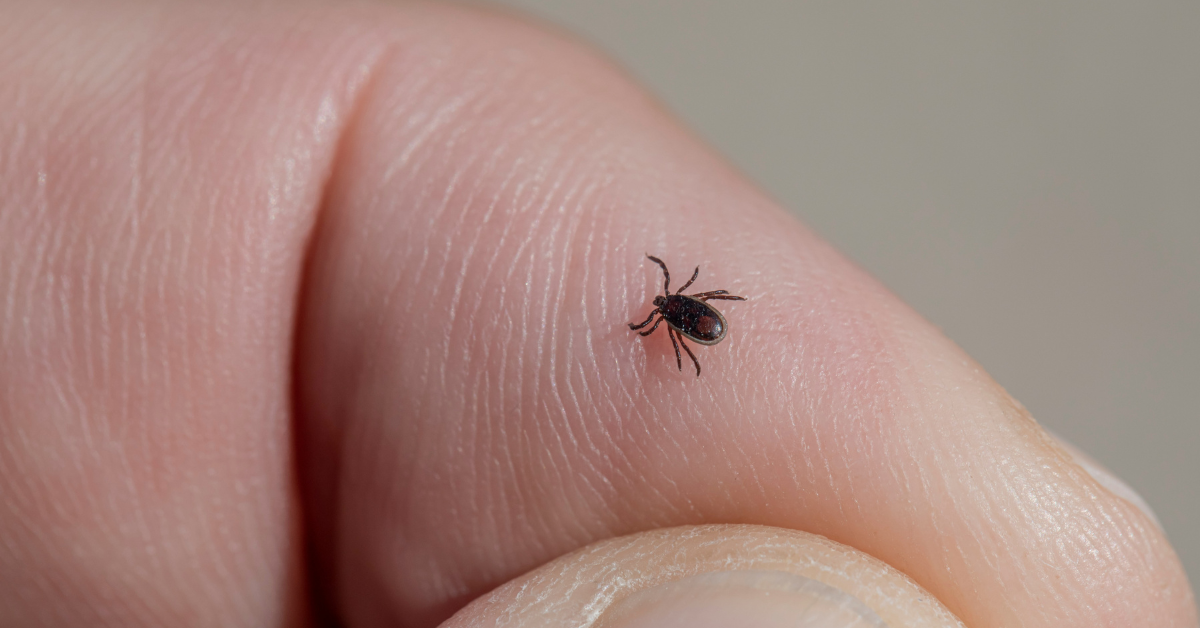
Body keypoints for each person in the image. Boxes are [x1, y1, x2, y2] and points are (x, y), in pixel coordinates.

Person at [0, 1, 1193, 627]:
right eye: (674, 307)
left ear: (678, 306)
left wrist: (672, 336)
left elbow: (687, 319)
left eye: (670, 305)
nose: (672, 309)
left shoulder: (677, 317)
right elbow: (693, 320)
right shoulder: (682, 317)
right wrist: (677, 339)